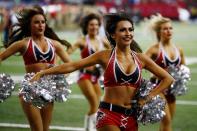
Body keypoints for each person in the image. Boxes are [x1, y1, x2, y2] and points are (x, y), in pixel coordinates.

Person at [31, 12, 174, 131]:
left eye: (130, 30)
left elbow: (168, 78)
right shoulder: (105, 56)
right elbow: (73, 65)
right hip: (109, 114)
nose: (128, 33)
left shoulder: (141, 59)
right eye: (123, 30)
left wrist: (148, 97)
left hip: (131, 116)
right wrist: (43, 73)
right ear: (113, 34)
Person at [0, 5, 71, 131]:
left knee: (45, 129)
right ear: (30, 25)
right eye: (36, 22)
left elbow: (69, 65)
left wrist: (59, 78)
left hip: (48, 90)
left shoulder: (54, 44)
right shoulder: (23, 44)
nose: (40, 25)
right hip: (30, 89)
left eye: (43, 22)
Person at [67, 13, 110, 131]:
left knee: (98, 106)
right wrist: (66, 65)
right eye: (91, 25)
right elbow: (66, 53)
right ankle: (92, 128)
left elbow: (114, 53)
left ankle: (88, 127)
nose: (94, 27)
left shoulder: (103, 41)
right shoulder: (82, 41)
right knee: (94, 103)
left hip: (96, 77)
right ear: (86, 26)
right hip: (84, 76)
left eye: (96, 24)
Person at [145, 14, 185, 131]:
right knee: (167, 122)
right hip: (158, 88)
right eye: (165, 28)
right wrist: (157, 72)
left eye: (170, 28)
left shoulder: (179, 49)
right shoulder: (154, 50)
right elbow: (140, 64)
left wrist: (180, 75)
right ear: (159, 32)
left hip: (171, 91)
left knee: (166, 124)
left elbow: (183, 68)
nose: (169, 31)